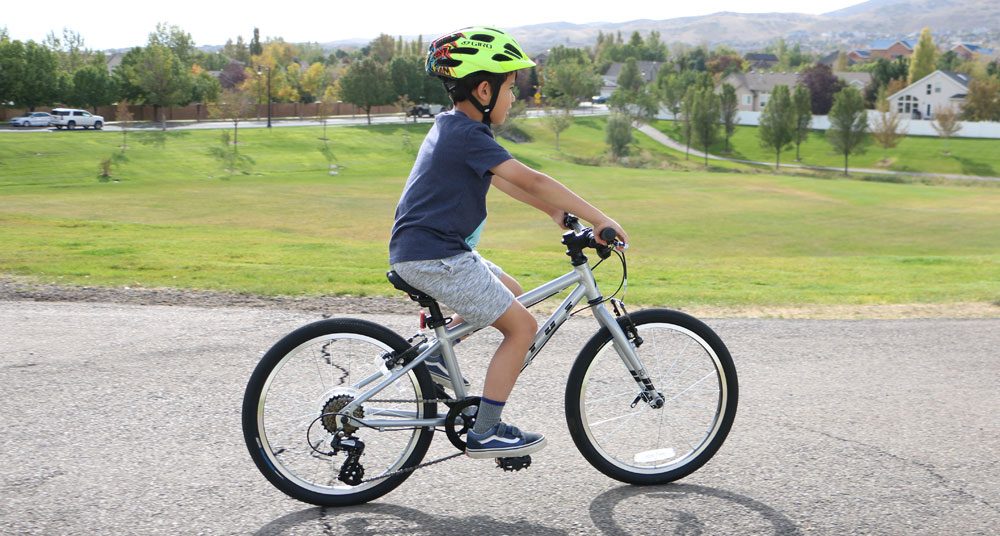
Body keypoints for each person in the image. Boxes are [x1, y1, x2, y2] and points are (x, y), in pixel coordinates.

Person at [388, 27, 628, 460]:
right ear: (484, 89)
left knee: (512, 293)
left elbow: (504, 181)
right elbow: (531, 178)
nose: (514, 98)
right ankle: (487, 430)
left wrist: (552, 211)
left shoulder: (455, 128)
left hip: (436, 252)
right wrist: (600, 218)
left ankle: (434, 358)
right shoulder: (468, 136)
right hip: (436, 257)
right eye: (510, 88)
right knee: (522, 327)